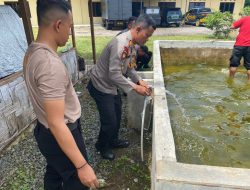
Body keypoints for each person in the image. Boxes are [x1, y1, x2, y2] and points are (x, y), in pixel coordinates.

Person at [23, 1, 99, 189]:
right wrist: (82, 166)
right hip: (61, 133)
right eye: (70, 26)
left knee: (55, 172)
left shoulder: (32, 51)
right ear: (58, 25)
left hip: (44, 131)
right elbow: (57, 123)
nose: (70, 32)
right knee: (77, 182)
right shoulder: (50, 65)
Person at [87, 14, 156, 160]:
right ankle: (102, 146)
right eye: (147, 35)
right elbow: (114, 75)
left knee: (117, 114)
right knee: (109, 120)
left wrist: (139, 81)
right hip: (100, 85)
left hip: (111, 85)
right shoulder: (121, 43)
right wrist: (136, 88)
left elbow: (129, 67)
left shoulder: (132, 44)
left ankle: (113, 140)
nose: (147, 39)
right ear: (138, 29)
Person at [229, 15, 250, 81]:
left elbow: (232, 26)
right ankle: (248, 83)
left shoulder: (245, 18)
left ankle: (230, 80)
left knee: (234, 65)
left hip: (239, 45)